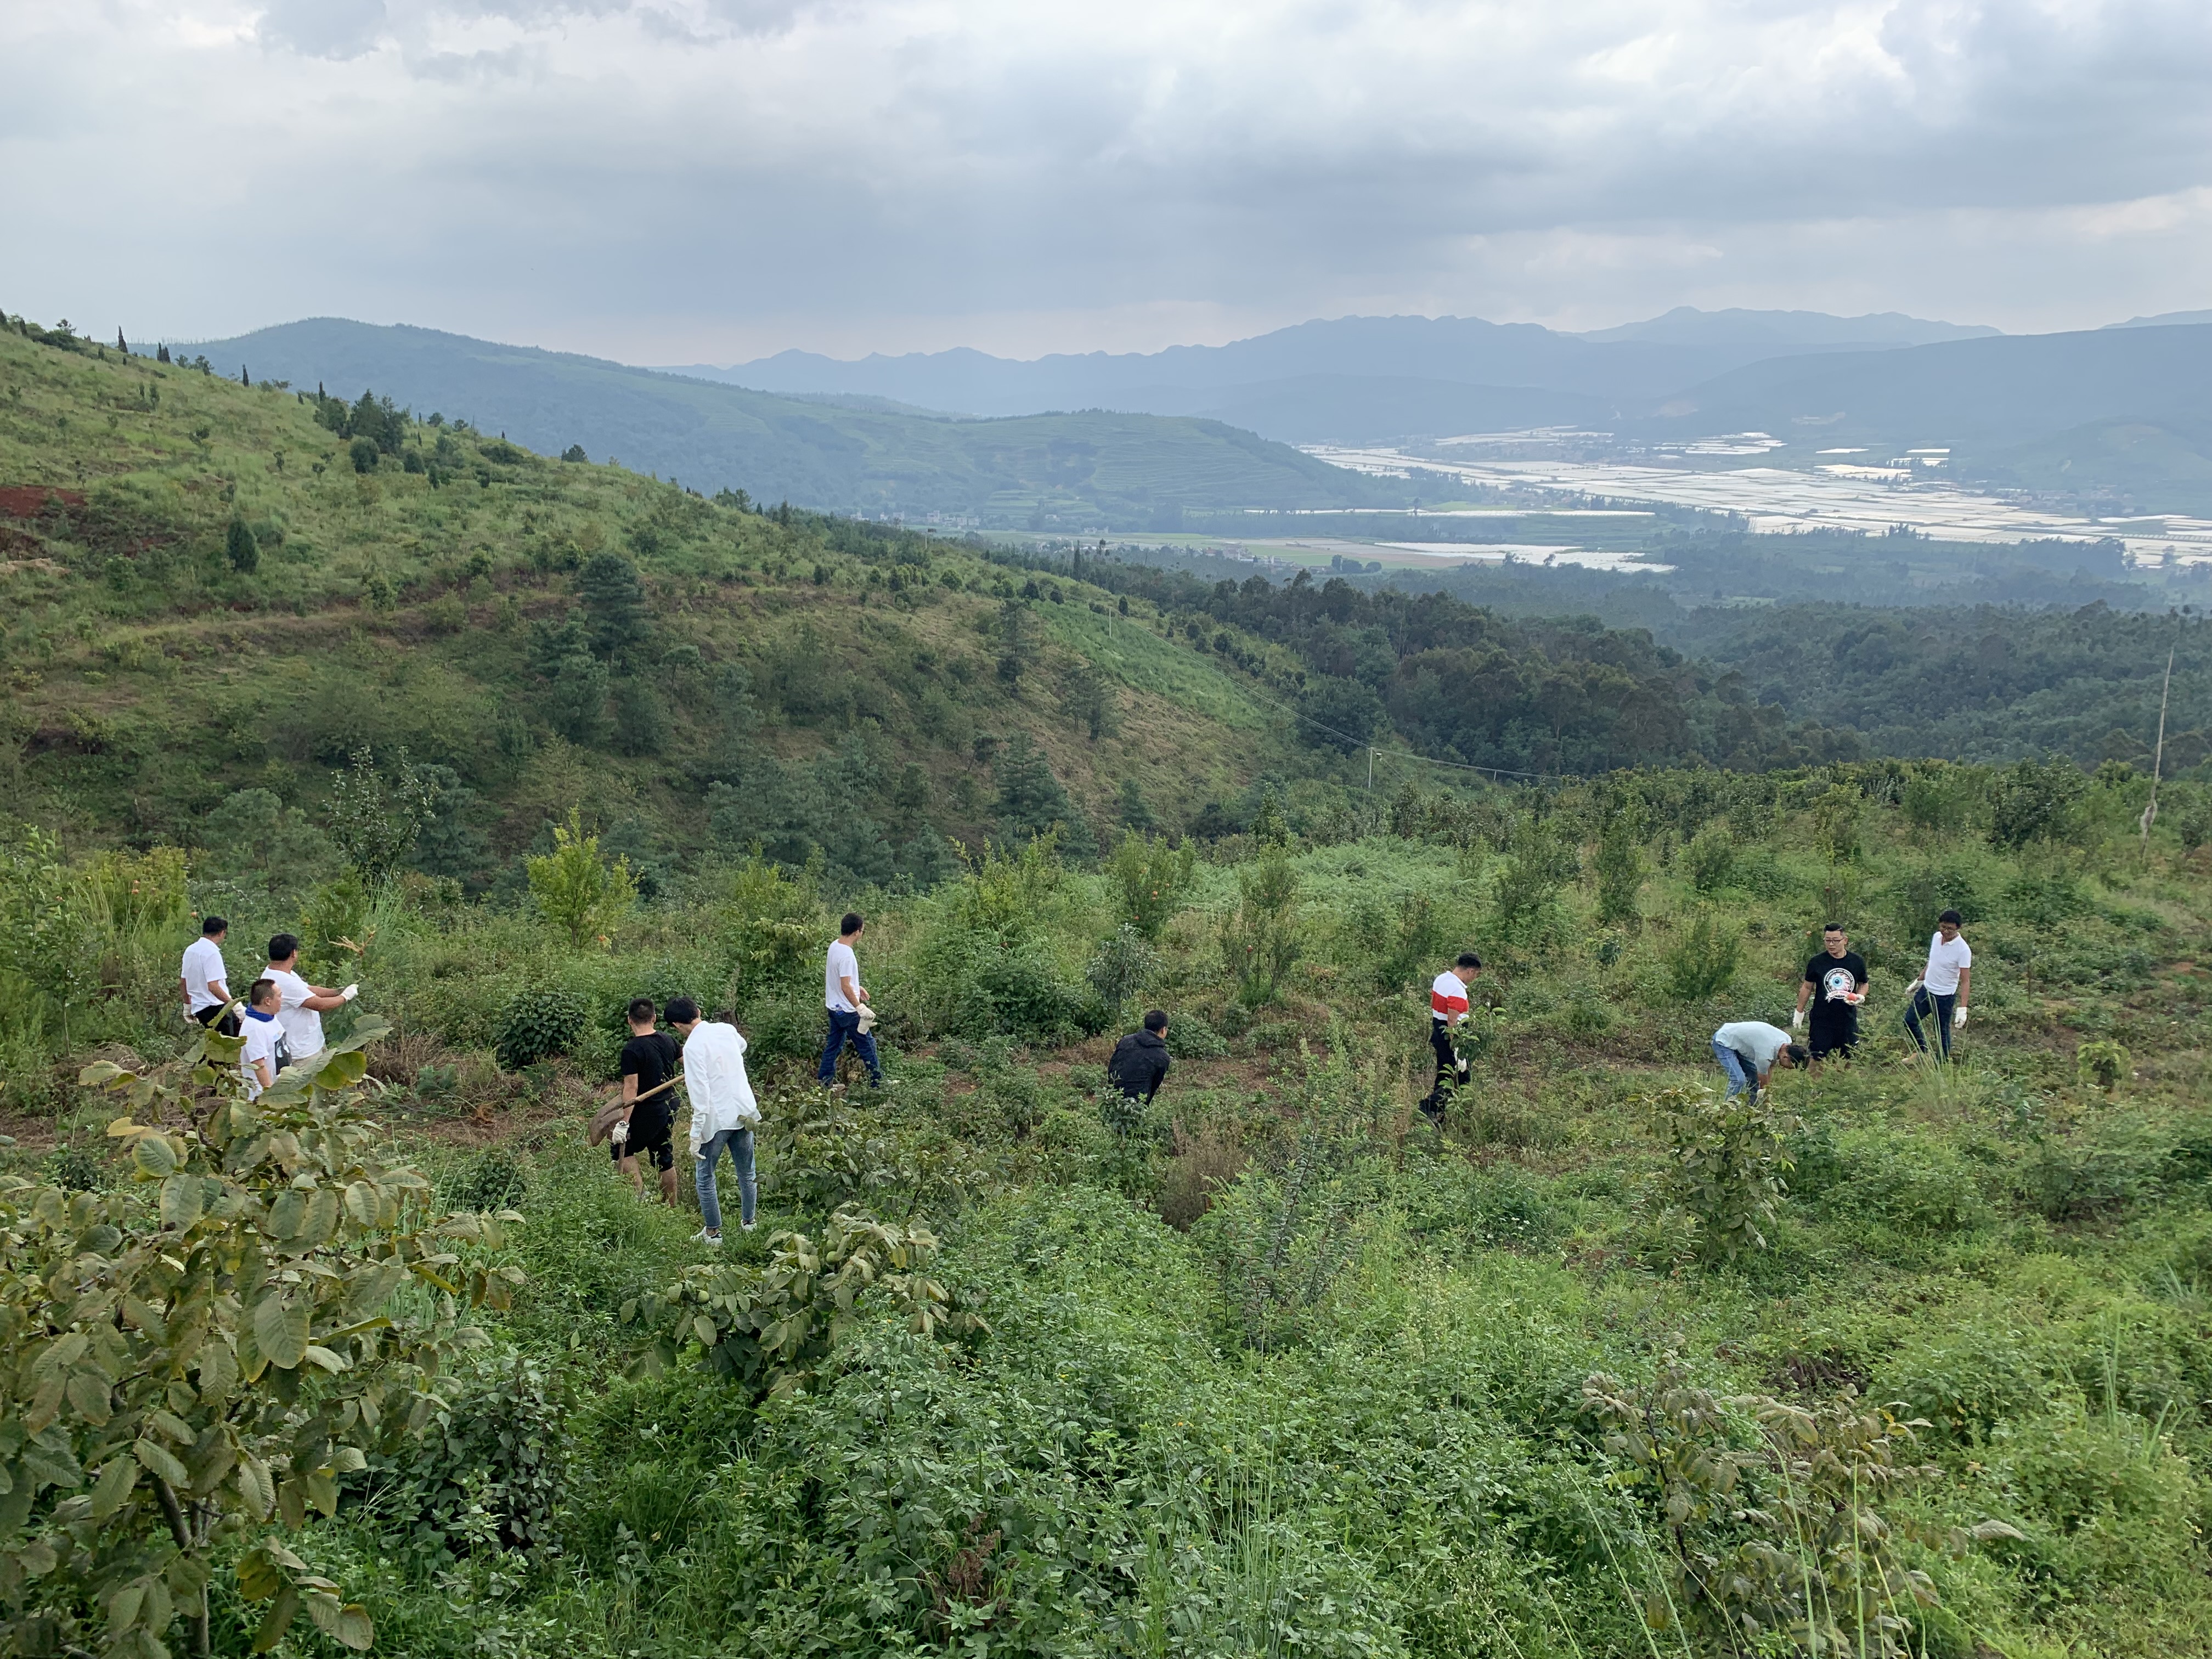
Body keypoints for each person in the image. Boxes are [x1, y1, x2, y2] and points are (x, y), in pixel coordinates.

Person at [668, 996, 759, 1245]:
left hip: (718, 1117)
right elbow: (742, 1046)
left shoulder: (692, 1048)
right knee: (747, 1171)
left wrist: (696, 1134)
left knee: (705, 1176)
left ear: (677, 1025)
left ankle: (713, 1233)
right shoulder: (726, 1030)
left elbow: (700, 1096)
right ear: (698, 1011)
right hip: (743, 1111)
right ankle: (749, 1223)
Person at [614, 997, 682, 1204]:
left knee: (620, 1151)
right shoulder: (669, 1040)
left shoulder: (632, 1050)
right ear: (654, 1018)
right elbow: (689, 1064)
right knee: (663, 1156)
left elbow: (632, 1087)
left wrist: (624, 1122)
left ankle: (641, 1199)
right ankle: (671, 1207)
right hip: (669, 1106)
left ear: (629, 1020)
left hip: (646, 1110)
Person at [262, 933, 357, 1067]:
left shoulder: (278, 972)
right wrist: (345, 996)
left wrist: (337, 991)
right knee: (311, 1086)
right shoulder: (284, 982)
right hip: (302, 1052)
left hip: (310, 1043)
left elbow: (308, 989)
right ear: (293, 953)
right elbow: (320, 1005)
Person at [818, 912, 882, 1088]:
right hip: (847, 1011)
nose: (862, 934)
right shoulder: (847, 955)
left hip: (834, 1007)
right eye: (862, 931)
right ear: (856, 932)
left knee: (834, 1047)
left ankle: (824, 1084)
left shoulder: (835, 946)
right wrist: (860, 1007)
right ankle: (878, 1085)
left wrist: (857, 987)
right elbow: (845, 986)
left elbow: (840, 979)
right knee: (868, 1045)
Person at [1793, 923, 1869, 1060]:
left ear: (1845, 940)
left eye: (1835, 940)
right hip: (1821, 1020)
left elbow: (1864, 983)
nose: (1831, 944)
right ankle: (1815, 1083)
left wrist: (1860, 996)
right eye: (1827, 940)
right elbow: (1807, 987)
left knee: (1848, 1059)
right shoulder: (1817, 962)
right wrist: (1799, 1012)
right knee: (1816, 1058)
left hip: (1847, 1019)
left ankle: (1844, 1082)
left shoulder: (1856, 961)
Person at [1421, 952, 1483, 1120]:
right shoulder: (1457, 989)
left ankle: (1437, 1115)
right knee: (1460, 1077)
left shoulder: (1441, 979)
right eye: (1476, 975)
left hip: (1438, 1030)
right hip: (1452, 1036)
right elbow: (1452, 1021)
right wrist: (1457, 1048)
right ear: (1470, 971)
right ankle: (1429, 1106)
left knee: (1444, 1073)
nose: (1474, 979)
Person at [1904, 909, 1972, 1059]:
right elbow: (1932, 961)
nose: (1946, 931)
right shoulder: (1936, 937)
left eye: (1950, 929)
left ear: (1958, 928)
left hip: (1944, 997)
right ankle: (1923, 1052)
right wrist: (1919, 980)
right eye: (1943, 927)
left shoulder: (1963, 950)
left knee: (1941, 1032)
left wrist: (1963, 1008)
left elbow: (1965, 980)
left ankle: (1941, 1064)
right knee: (1909, 1021)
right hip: (1926, 991)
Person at [1711, 1019, 1807, 1101]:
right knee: (1738, 1080)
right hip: (1723, 1040)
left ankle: (1752, 1109)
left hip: (1738, 1043)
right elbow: (1763, 1084)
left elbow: (1769, 1068)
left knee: (1754, 1079)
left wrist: (1767, 1093)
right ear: (1786, 1057)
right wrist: (1767, 1104)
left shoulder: (1786, 1040)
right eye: (1790, 1067)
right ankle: (1728, 1110)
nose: (1787, 1069)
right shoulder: (1765, 1054)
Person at [180, 916, 238, 1036]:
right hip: (216, 1007)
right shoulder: (212, 953)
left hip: (200, 1008)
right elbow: (213, 986)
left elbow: (184, 981)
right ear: (222, 933)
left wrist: (187, 1004)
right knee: (226, 1048)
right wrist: (233, 1005)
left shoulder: (190, 950)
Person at [1107, 1010, 1172, 1105]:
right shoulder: (1162, 1057)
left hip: (1114, 1097)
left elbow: (1112, 1068)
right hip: (1137, 1105)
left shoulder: (1125, 1041)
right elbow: (1154, 1086)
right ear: (1164, 1030)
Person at [238, 978, 281, 1099]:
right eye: (279, 996)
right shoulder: (254, 1029)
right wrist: (271, 1096)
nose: (282, 1000)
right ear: (268, 1001)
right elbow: (259, 1065)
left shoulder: (270, 1017)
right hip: (261, 1096)